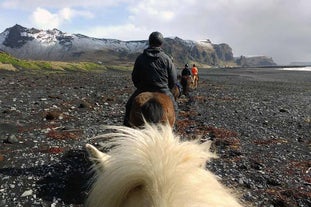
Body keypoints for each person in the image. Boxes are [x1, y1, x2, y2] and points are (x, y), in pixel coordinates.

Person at [123, 31, 178, 126]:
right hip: (163, 89)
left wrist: (140, 87)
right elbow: (173, 78)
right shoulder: (167, 59)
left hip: (143, 89)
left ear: (149, 42)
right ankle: (173, 129)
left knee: (129, 106)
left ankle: (126, 127)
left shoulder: (140, 58)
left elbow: (135, 77)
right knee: (175, 108)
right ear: (161, 43)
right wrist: (167, 88)